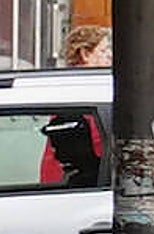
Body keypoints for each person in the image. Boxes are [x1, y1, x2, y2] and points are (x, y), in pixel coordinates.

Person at [39, 25, 110, 184]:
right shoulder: (85, 89)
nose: (110, 56)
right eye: (103, 51)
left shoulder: (72, 86)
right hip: (73, 180)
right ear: (85, 54)